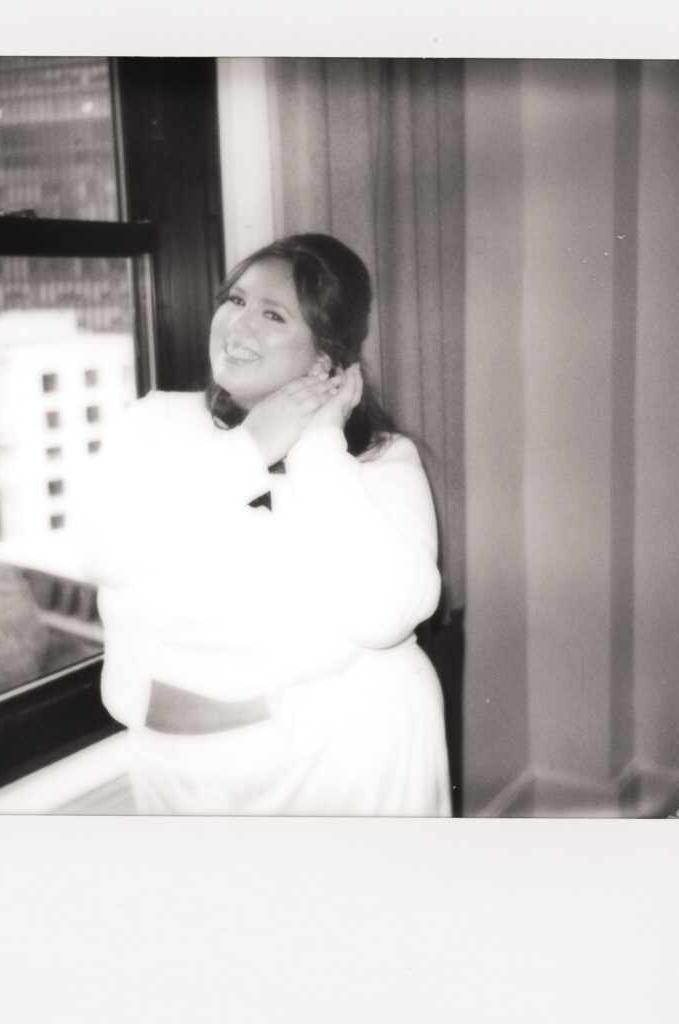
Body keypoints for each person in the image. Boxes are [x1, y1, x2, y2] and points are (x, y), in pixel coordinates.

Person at [80, 233, 451, 815]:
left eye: (272, 314)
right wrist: (250, 447)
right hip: (169, 772)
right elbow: (105, 551)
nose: (237, 324)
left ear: (324, 357)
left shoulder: (379, 461)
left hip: (342, 760)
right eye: (235, 299)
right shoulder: (152, 424)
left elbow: (384, 616)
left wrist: (321, 443)